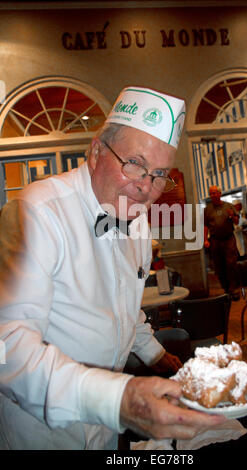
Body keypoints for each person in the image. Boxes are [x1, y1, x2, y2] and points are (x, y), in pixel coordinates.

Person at [0, 86, 224, 450]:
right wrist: (116, 400)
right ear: (95, 151)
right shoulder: (38, 211)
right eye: (134, 163)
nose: (145, 187)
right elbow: (6, 345)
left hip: (106, 429)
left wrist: (153, 354)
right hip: (39, 429)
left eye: (159, 174)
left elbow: (124, 307)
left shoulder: (137, 222)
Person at [204, 186, 240, 301]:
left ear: (220, 194)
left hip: (229, 238)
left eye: (215, 193)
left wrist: (232, 215)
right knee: (219, 266)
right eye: (211, 193)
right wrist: (205, 239)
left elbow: (237, 221)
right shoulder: (207, 209)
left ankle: (233, 289)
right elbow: (205, 226)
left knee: (231, 263)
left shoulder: (228, 206)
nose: (213, 195)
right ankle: (225, 289)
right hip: (215, 240)